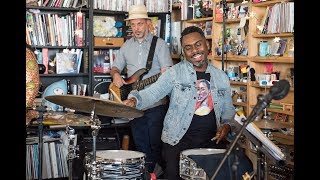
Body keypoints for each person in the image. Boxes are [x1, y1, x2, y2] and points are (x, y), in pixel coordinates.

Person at [123, 26, 238, 179]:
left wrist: (227, 125)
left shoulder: (221, 77)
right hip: (177, 142)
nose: (195, 51)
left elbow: (229, 110)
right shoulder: (174, 73)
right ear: (184, 51)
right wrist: (135, 99)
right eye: (188, 48)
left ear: (207, 44)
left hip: (211, 144)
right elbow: (153, 92)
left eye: (198, 44)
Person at [110, 4, 173, 177]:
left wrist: (166, 73)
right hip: (134, 104)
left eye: (140, 24)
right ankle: (146, 174)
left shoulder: (159, 45)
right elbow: (115, 67)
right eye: (133, 25)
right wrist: (116, 75)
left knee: (155, 144)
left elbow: (168, 73)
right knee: (140, 144)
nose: (136, 28)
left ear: (147, 23)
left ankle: (155, 174)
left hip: (156, 104)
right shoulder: (126, 46)